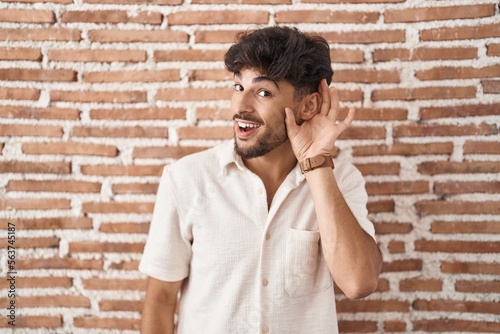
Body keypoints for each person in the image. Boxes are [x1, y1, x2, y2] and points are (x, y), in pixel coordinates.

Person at [139, 26, 382, 334]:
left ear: (307, 106)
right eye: (238, 87)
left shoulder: (341, 179)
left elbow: (359, 282)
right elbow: (160, 299)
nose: (241, 107)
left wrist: (316, 163)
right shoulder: (187, 179)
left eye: (263, 92)